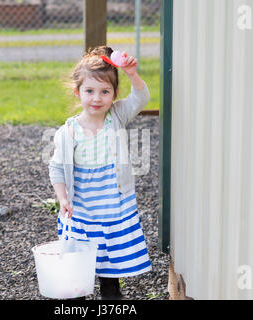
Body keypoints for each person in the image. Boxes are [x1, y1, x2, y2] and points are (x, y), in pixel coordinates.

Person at [48, 46, 152, 300]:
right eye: (90, 91)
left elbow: (141, 97)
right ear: (78, 92)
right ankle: (77, 296)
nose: (97, 98)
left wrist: (131, 74)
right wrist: (63, 198)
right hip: (83, 206)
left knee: (110, 255)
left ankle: (111, 294)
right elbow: (57, 168)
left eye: (105, 92)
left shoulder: (116, 116)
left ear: (114, 94)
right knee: (79, 260)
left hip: (113, 204)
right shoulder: (69, 131)